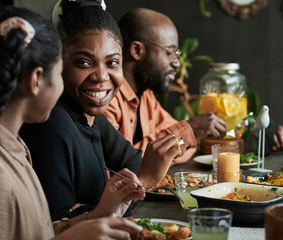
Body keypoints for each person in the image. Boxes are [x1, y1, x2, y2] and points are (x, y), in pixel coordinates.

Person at [0, 6, 145, 239]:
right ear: (36, 80)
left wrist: (98, 213)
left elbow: (34, 233)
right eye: (60, 73)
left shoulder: (12, 149)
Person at [20, 0, 181, 222]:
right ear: (59, 62)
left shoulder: (91, 116)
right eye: (84, 63)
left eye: (112, 63)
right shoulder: (51, 125)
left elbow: (134, 163)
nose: (102, 76)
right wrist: (142, 180)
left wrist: (142, 173)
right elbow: (54, 227)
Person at [105, 8, 227, 164]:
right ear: (137, 50)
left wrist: (179, 140)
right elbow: (122, 165)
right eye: (170, 52)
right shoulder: (105, 97)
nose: (176, 63)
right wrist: (188, 133)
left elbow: (186, 146)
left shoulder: (146, 96)